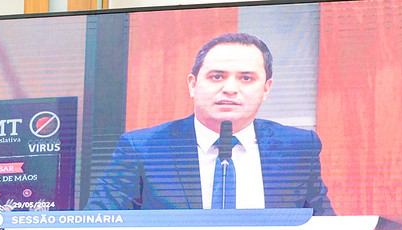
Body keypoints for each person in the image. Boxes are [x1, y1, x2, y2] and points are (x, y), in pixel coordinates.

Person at [85, 32, 334, 215]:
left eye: (246, 78)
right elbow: (98, 224)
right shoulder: (143, 148)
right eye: (217, 77)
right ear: (193, 84)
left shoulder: (298, 148)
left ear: (266, 89)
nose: (230, 89)